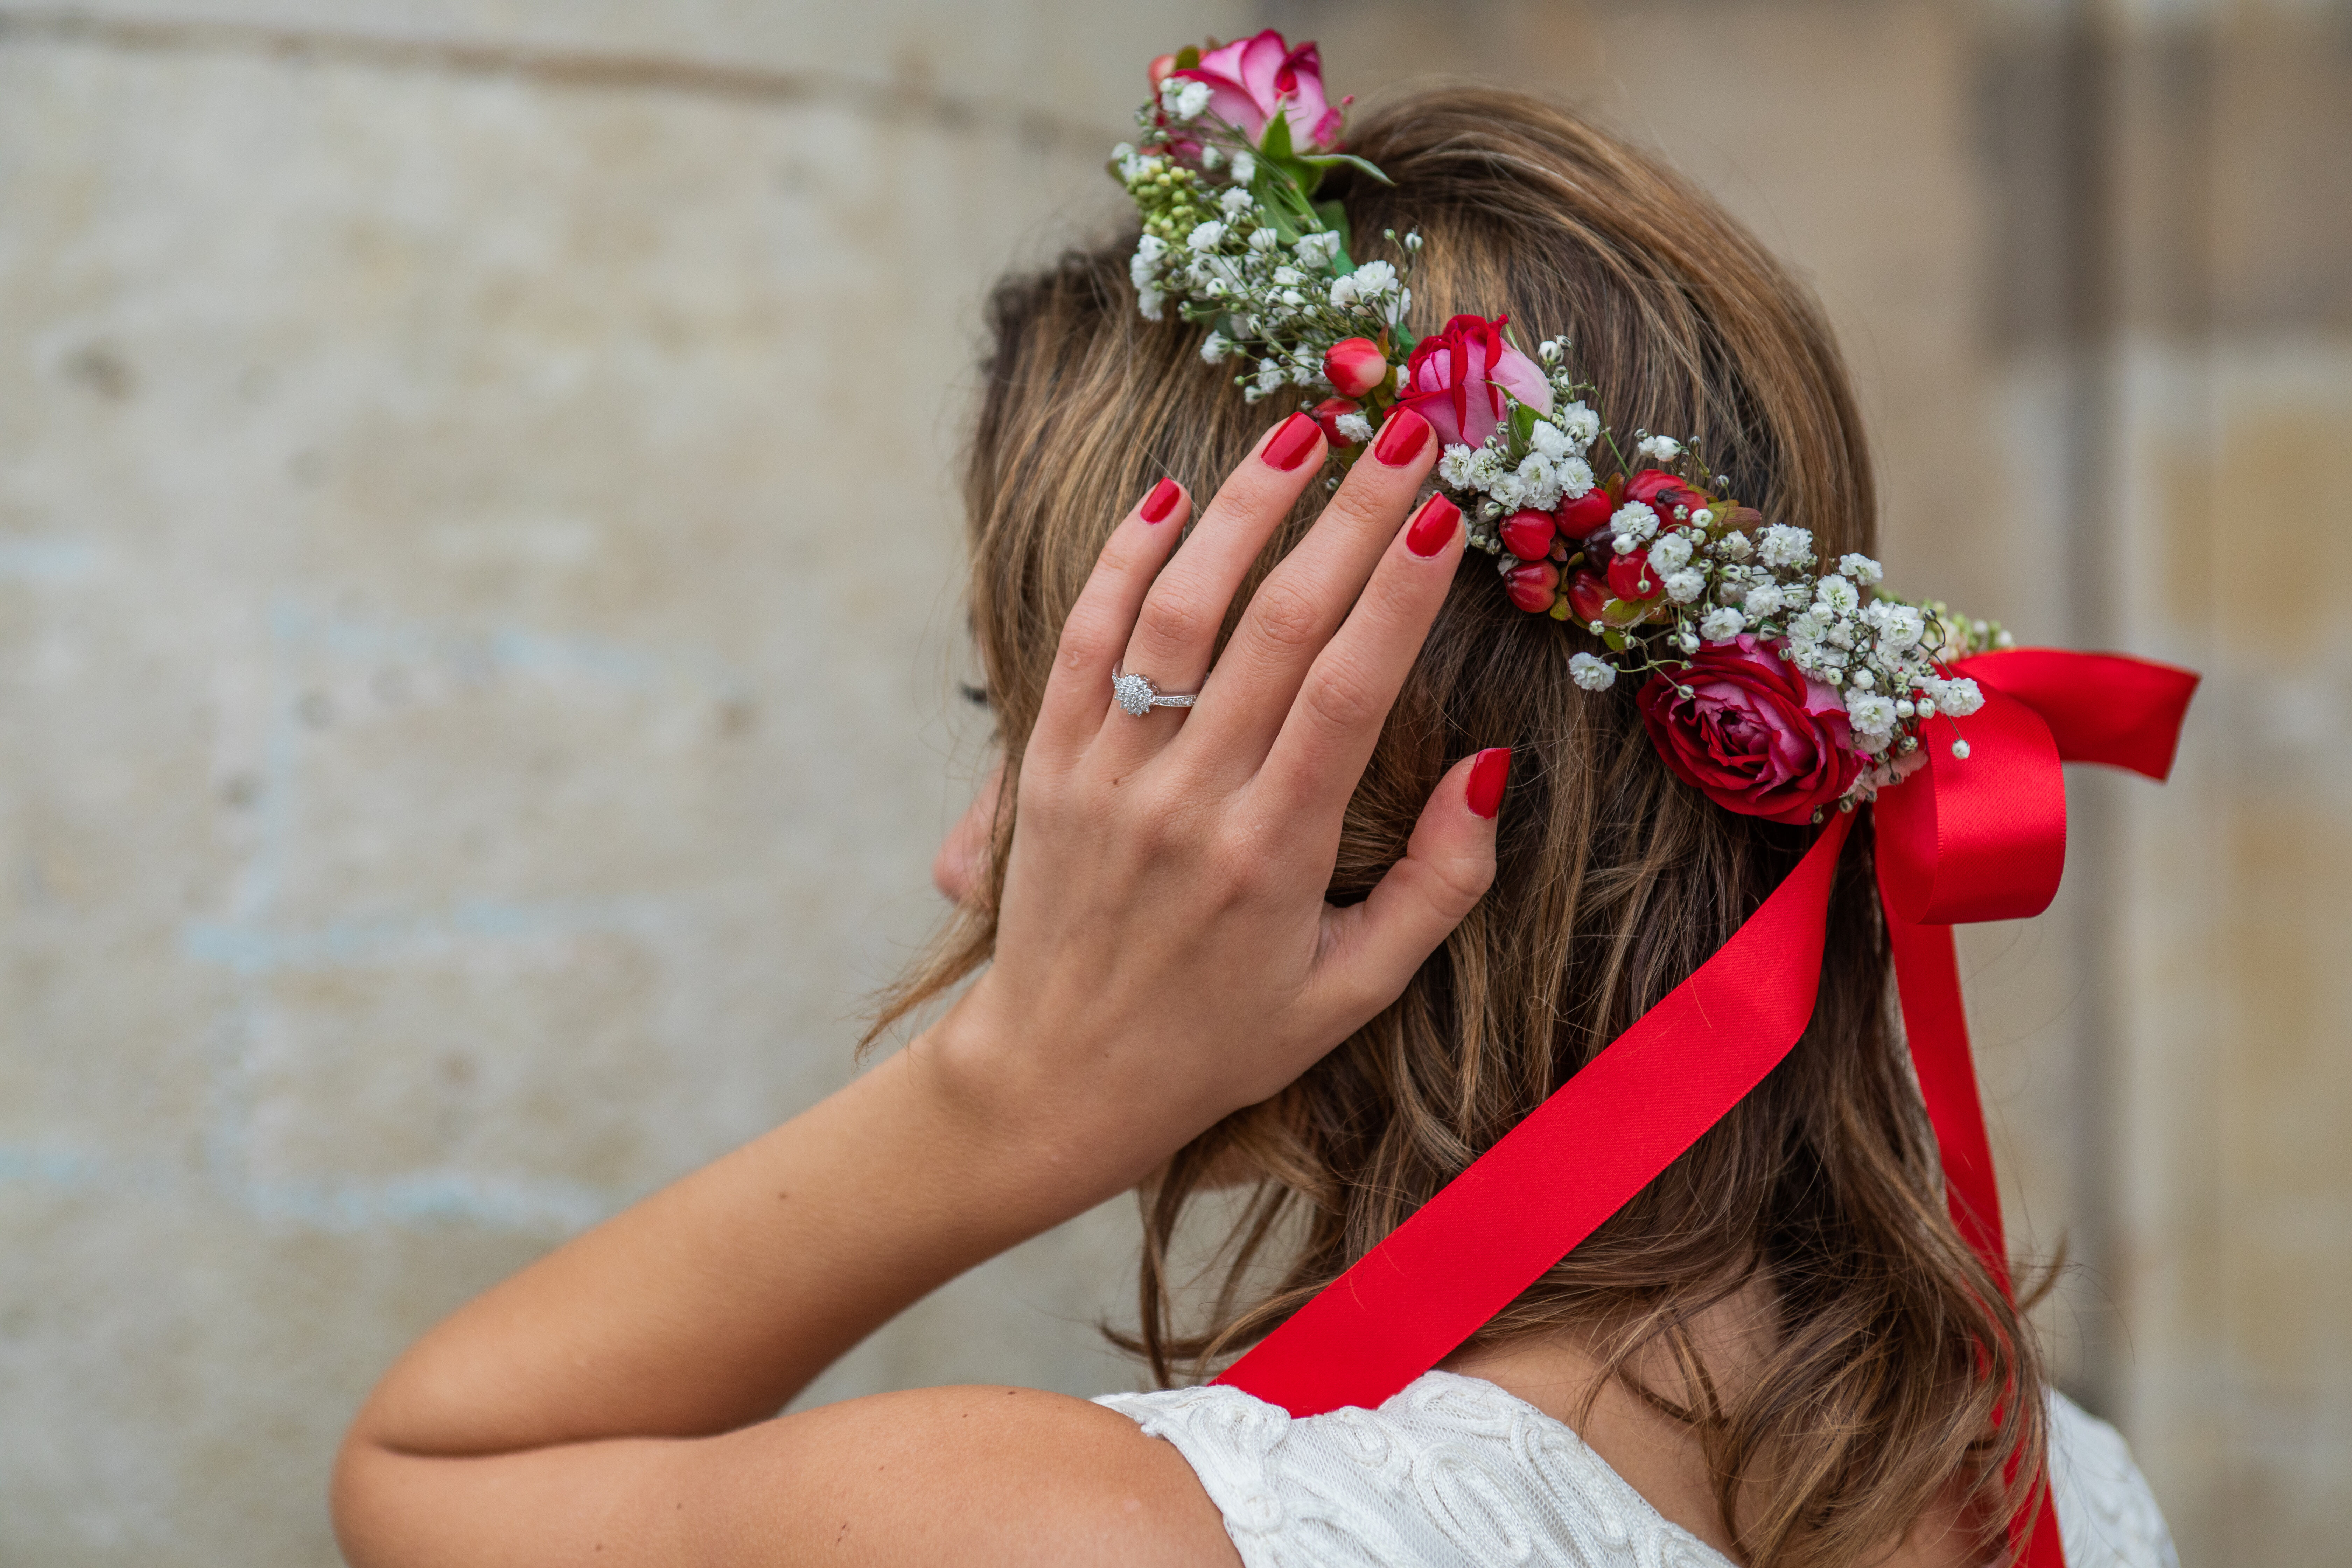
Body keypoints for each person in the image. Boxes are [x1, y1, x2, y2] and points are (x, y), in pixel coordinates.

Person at [331, 73, 2178, 1568]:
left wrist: (1005, 1098)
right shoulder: (2042, 1480)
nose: (968, 857)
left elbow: (430, 1467)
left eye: (1047, 730)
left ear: (1312, 794)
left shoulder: (1067, 1532)